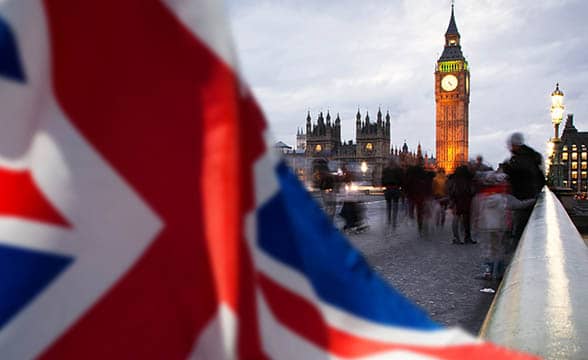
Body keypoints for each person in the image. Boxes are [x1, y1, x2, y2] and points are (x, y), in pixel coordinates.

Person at [502, 132, 545, 246]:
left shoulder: (521, 159)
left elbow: (520, 176)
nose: (510, 147)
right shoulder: (533, 156)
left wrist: (507, 169)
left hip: (523, 198)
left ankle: (517, 256)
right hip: (531, 196)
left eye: (511, 145)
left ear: (515, 144)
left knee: (521, 232)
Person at [447, 165, 476, 244]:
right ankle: (467, 237)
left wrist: (452, 200)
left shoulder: (453, 179)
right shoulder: (468, 179)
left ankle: (456, 238)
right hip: (466, 200)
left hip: (457, 200)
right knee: (466, 220)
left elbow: (450, 190)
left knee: (456, 219)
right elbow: (472, 190)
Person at [381, 159, 404, 228]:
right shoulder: (398, 170)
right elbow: (401, 179)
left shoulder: (385, 170)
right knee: (395, 205)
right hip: (395, 188)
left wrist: (383, 187)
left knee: (389, 205)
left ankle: (389, 220)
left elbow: (383, 179)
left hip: (388, 189)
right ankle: (394, 221)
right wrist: (401, 187)